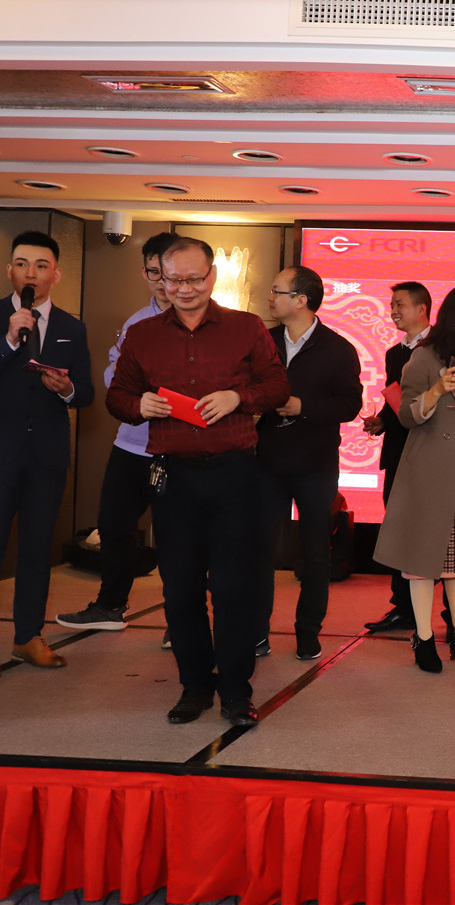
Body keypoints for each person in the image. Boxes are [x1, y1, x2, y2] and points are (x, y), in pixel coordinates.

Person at [106, 236, 290, 726]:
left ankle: (236, 692)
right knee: (179, 586)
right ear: (159, 279)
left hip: (235, 475)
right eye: (173, 280)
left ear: (212, 276)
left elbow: (277, 385)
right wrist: (138, 405)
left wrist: (238, 398)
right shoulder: (142, 334)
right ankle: (194, 686)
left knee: (233, 588)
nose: (184, 288)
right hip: (174, 478)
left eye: (193, 278)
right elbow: (117, 396)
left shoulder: (246, 327)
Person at [0, 231, 94, 678]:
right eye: (21, 264)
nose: (30, 273)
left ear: (56, 273)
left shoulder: (73, 327)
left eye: (40, 265)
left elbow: (86, 393)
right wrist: (9, 341)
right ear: (9, 270)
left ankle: (28, 637)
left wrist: (67, 388)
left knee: (37, 549)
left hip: (46, 453)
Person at [374, 285, 455, 671]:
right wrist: (437, 389)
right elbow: (406, 415)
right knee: (423, 557)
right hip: (429, 472)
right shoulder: (425, 357)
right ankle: (424, 637)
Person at [56, 231, 177, 632]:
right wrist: (137, 392)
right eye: (154, 272)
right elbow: (113, 377)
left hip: (180, 447)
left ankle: (181, 620)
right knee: (113, 524)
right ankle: (110, 606)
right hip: (132, 442)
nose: (162, 282)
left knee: (177, 535)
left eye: (169, 273)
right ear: (144, 272)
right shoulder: (136, 322)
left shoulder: (203, 322)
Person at [256, 265, 364, 661]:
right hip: (265, 461)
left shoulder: (338, 348)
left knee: (316, 553)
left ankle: (308, 632)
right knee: (258, 551)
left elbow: (350, 405)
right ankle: (256, 632)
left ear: (301, 300)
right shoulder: (263, 342)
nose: (270, 298)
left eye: (277, 291)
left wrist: (304, 406)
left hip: (315, 465)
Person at [362, 281, 433, 633]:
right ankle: (403, 607)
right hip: (399, 452)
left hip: (432, 454)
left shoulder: (442, 349)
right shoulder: (394, 353)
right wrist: (381, 420)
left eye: (399, 304)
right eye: (391, 304)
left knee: (433, 532)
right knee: (398, 530)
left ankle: (446, 613)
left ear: (422, 309)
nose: (393, 311)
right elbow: (398, 401)